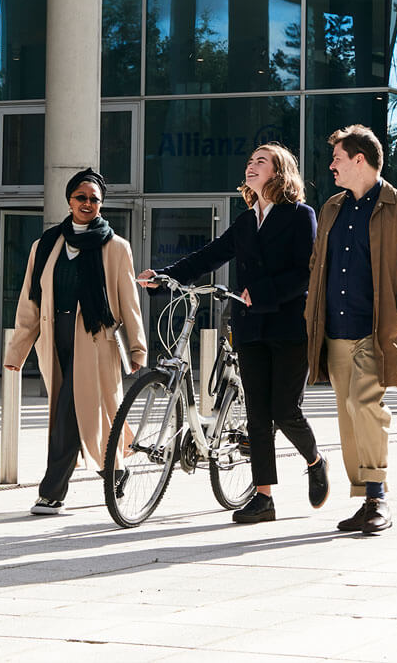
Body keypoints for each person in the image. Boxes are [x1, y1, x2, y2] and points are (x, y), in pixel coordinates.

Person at [138, 144, 329, 524]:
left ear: (278, 172)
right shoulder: (245, 222)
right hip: (250, 327)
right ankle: (263, 498)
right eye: (250, 162)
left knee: (285, 410)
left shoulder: (300, 215)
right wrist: (164, 278)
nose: (251, 166)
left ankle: (315, 459)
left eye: (261, 161)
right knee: (258, 413)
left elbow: (305, 272)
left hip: (289, 327)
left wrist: (262, 292)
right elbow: (208, 256)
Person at [304, 125, 397, 535]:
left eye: (337, 159)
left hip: (375, 330)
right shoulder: (331, 208)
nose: (331, 167)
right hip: (335, 329)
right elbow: (317, 263)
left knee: (366, 406)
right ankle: (365, 496)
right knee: (348, 415)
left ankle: (377, 497)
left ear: (360, 160)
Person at [5, 169, 148, 515]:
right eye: (80, 197)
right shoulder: (46, 245)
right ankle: (115, 469)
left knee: (71, 413)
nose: (87, 204)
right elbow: (30, 300)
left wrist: (137, 348)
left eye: (94, 199)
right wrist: (18, 350)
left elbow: (129, 301)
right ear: (69, 200)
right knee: (94, 414)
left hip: (97, 342)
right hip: (56, 340)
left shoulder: (115, 246)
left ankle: (52, 492)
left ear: (102, 204)